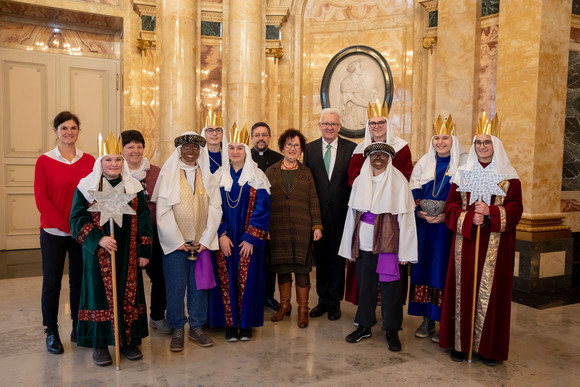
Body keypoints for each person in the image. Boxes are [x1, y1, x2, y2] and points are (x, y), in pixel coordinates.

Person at [438, 114, 523, 366]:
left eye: (487, 142)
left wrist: (491, 213)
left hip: (496, 245)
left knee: (492, 292)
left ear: (495, 144)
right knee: (462, 288)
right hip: (467, 241)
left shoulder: (509, 177)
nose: (482, 147)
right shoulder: (462, 174)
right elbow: (451, 206)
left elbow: (516, 210)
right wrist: (467, 217)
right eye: (478, 143)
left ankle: (488, 348)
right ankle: (460, 344)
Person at [69, 133, 152, 366]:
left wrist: (144, 250)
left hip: (128, 251)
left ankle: (128, 341)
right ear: (100, 162)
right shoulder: (86, 186)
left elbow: (144, 220)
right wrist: (99, 239)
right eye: (108, 160)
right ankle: (100, 343)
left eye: (117, 160)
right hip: (98, 254)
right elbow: (76, 220)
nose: (114, 164)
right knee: (99, 296)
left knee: (128, 292)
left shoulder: (133, 187)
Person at [339, 142, 417, 351]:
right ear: (368, 158)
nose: (378, 158)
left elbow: (407, 218)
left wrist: (406, 251)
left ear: (389, 158)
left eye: (383, 154)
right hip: (364, 242)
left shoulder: (398, 181)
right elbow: (351, 215)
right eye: (374, 155)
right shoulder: (359, 182)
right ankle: (364, 325)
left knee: (391, 288)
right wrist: (349, 248)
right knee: (365, 286)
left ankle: (392, 329)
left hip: (388, 244)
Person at [152, 132, 222, 352]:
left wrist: (206, 238)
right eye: (186, 148)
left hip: (201, 242)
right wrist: (177, 240)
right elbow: (163, 210)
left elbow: (215, 207)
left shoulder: (208, 175)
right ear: (179, 151)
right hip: (176, 244)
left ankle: (197, 326)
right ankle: (177, 327)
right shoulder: (168, 175)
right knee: (175, 285)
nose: (191, 151)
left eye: (195, 148)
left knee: (199, 285)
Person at [34, 111, 95, 354]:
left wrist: (83, 228)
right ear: (55, 131)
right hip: (53, 231)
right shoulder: (45, 161)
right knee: (51, 283)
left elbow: (94, 195)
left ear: (78, 131)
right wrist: (69, 226)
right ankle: (51, 330)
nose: (69, 132)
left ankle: (78, 326)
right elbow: (42, 200)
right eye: (64, 128)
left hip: (81, 232)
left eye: (73, 128)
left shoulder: (90, 160)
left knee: (79, 281)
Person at [345, 101, 413, 308]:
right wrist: (370, 189)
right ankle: (365, 314)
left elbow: (405, 174)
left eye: (380, 122)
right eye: (372, 123)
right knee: (365, 269)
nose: (376, 126)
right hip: (366, 213)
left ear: (387, 123)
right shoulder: (360, 149)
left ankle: (389, 314)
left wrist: (385, 191)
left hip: (390, 212)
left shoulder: (401, 146)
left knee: (389, 271)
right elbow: (353, 178)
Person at [407, 115, 467, 342]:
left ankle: (445, 320)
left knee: (442, 271)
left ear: (453, 139)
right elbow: (413, 190)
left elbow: (465, 197)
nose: (440, 142)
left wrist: (445, 216)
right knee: (423, 269)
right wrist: (419, 212)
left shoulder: (463, 162)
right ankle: (427, 320)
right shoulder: (424, 162)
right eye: (436, 138)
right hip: (425, 228)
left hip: (446, 229)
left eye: (445, 138)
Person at [209, 124, 271, 341]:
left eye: (240, 148)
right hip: (226, 238)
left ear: (247, 150)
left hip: (247, 241)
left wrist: (251, 238)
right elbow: (211, 208)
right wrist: (221, 234)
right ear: (227, 150)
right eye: (231, 147)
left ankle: (245, 325)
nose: (235, 151)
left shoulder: (258, 176)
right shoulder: (218, 176)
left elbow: (262, 209)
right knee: (226, 278)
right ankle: (229, 323)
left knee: (248, 279)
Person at [265, 129, 322, 328]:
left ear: (301, 149)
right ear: (282, 147)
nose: (292, 148)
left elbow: (314, 200)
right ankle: (285, 305)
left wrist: (317, 226)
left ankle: (303, 309)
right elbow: (264, 202)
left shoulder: (306, 172)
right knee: (282, 268)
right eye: (288, 144)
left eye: (296, 145)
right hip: (277, 226)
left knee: (302, 269)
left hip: (302, 227)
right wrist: (265, 227)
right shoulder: (270, 171)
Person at [303, 108, 356, 321]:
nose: (329, 127)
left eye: (333, 124)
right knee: (321, 259)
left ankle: (335, 302)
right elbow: (307, 181)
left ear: (339, 127)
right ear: (319, 125)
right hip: (317, 215)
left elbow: (354, 182)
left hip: (342, 213)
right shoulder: (310, 149)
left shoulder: (351, 148)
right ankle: (322, 300)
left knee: (337, 259)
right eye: (326, 124)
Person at [121, 130, 171, 335]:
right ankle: (128, 320)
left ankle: (157, 316)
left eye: (139, 146)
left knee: (160, 277)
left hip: (152, 234)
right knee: (127, 280)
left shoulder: (157, 172)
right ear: (121, 149)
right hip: (124, 236)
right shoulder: (114, 170)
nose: (135, 150)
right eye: (130, 146)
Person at [250, 122, 284, 312]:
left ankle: (268, 296)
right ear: (252, 138)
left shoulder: (279, 159)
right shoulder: (243, 157)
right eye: (257, 135)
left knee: (270, 260)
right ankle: (253, 295)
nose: (261, 138)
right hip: (250, 217)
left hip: (272, 217)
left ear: (270, 137)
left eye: (264, 135)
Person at [201, 108, 228, 174]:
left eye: (218, 130)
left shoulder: (230, 154)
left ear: (222, 134)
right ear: (204, 134)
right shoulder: (198, 155)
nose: (214, 134)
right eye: (210, 130)